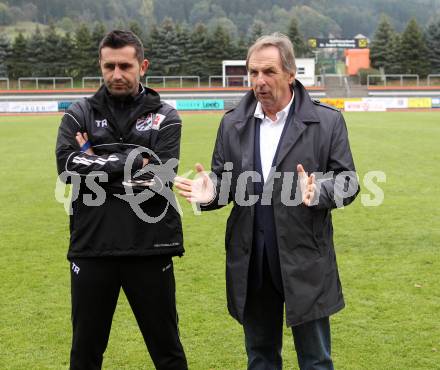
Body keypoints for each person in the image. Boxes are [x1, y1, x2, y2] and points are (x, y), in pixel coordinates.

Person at [174, 33, 359, 370]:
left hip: (304, 258)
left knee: (316, 360)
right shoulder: (232, 123)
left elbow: (349, 181)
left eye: (269, 72)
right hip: (251, 261)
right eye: (253, 72)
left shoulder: (327, 122)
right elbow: (224, 180)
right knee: (260, 357)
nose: (259, 81)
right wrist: (211, 191)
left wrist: (319, 191)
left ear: (290, 74)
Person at [55, 30, 187, 370]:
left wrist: (93, 158)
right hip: (93, 247)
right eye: (109, 66)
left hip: (149, 245)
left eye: (125, 66)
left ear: (142, 66)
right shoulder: (78, 113)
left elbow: (158, 178)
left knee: (168, 352)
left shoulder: (166, 116)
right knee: (85, 354)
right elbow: (68, 168)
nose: (117, 74)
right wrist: (129, 161)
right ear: (100, 65)